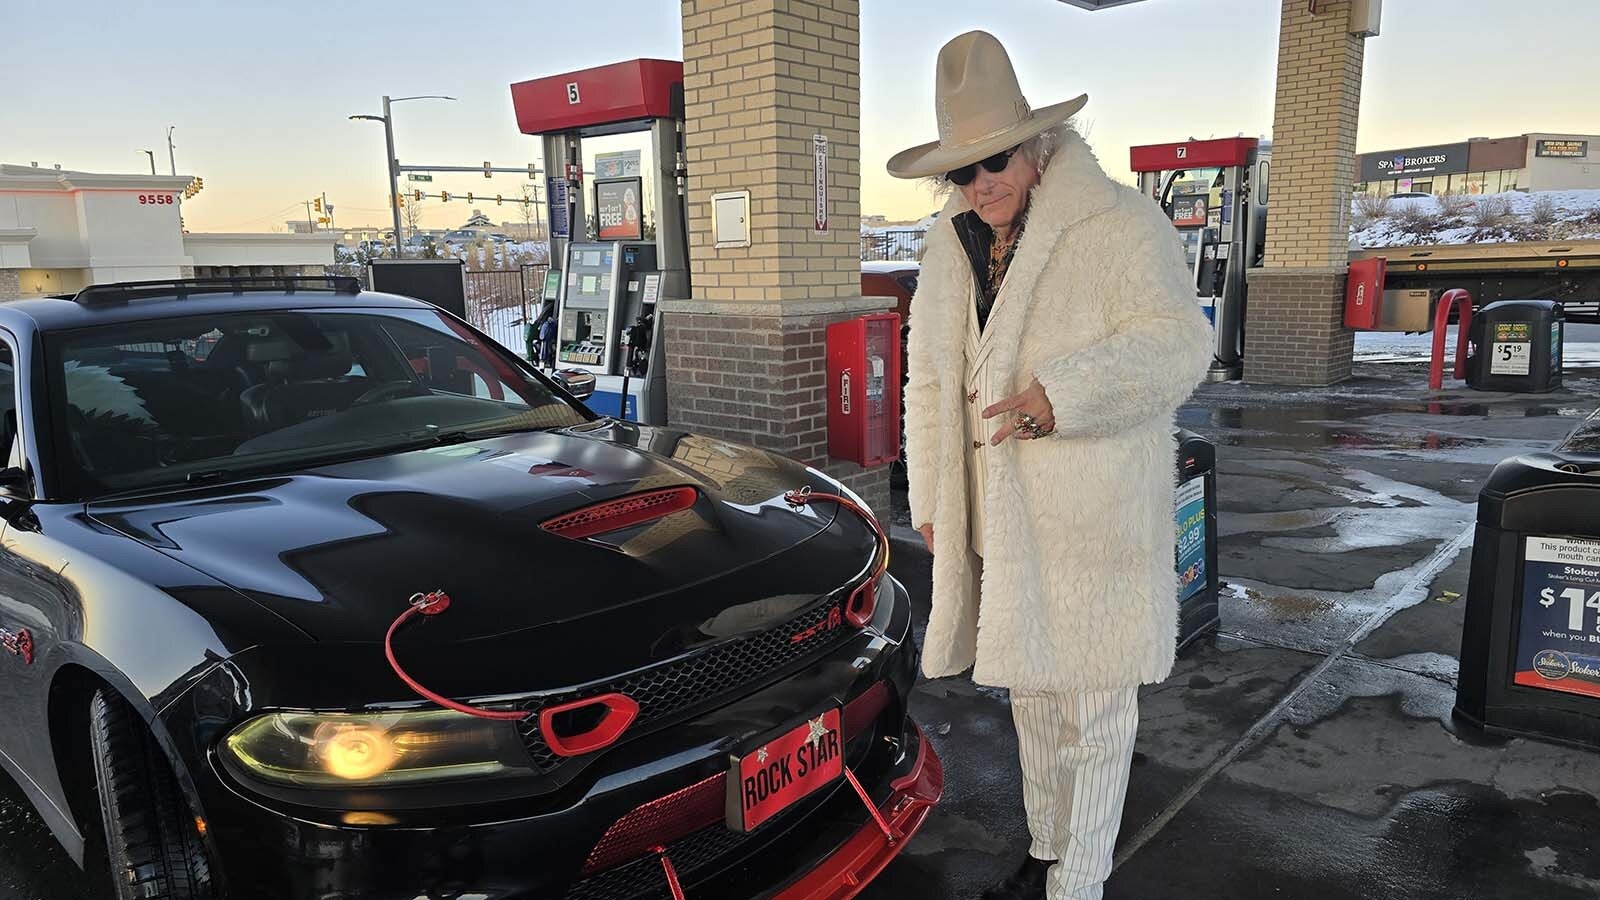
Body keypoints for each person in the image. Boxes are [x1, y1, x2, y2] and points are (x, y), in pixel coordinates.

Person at [886, 30, 1212, 900]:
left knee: (1094, 705)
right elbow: (928, 381)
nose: (981, 182)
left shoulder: (1119, 223)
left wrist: (1063, 395)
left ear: (1036, 147)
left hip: (1092, 511)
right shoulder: (949, 246)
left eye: (995, 160)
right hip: (999, 509)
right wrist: (933, 496)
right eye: (963, 170)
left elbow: (1179, 344)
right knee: (1030, 692)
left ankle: (1080, 881)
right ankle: (1045, 851)